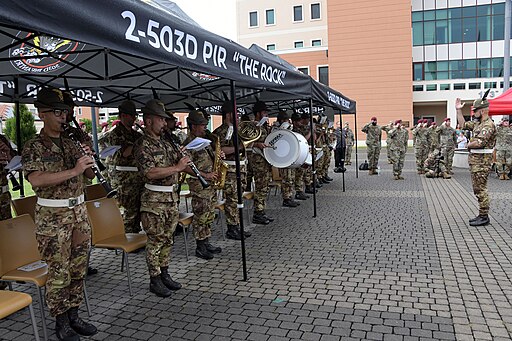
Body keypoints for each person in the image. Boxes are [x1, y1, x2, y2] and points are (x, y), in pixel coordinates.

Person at [22, 87, 97, 340]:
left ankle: (74, 314)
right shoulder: (34, 145)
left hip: (78, 213)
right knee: (59, 271)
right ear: (42, 114)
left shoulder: (71, 141)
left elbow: (89, 175)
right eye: (57, 112)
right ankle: (61, 321)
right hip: (53, 217)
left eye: (66, 111)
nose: (63, 117)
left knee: (78, 267)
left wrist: (88, 159)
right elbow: (37, 180)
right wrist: (74, 170)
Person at [134, 99, 188, 297]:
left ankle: (165, 272)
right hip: (153, 201)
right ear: (148, 121)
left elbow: (181, 164)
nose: (165, 124)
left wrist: (184, 159)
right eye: (161, 120)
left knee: (168, 239)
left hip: (170, 199)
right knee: (155, 241)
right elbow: (149, 172)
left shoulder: (167, 142)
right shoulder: (142, 144)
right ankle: (154, 279)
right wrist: (177, 167)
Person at [183, 110, 221, 259]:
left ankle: (206, 241)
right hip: (199, 184)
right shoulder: (189, 144)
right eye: (202, 125)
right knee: (201, 215)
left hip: (209, 184)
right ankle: (200, 246)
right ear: (193, 126)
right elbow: (186, 165)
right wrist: (205, 175)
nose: (205, 127)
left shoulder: (204, 140)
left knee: (209, 213)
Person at [212, 101, 251, 239]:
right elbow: (219, 150)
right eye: (236, 113)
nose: (238, 116)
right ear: (228, 115)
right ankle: (232, 228)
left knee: (238, 199)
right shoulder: (220, 131)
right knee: (232, 200)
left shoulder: (238, 129)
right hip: (230, 171)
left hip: (241, 168)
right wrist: (239, 147)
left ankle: (237, 226)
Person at [456, 96, 497, 226]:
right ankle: (481, 214)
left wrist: (468, 144)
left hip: (482, 163)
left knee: (481, 189)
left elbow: (480, 142)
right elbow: (462, 125)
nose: (473, 113)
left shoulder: (488, 125)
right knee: (477, 189)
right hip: (476, 162)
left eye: (476, 111)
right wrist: (458, 111)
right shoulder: (478, 124)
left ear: (483, 111)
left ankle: (484, 216)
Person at [247, 101, 274, 225]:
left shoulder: (263, 126)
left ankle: (261, 211)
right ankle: (258, 213)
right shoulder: (251, 126)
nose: (266, 114)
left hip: (265, 159)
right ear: (257, 113)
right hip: (257, 160)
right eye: (264, 112)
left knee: (264, 187)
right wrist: (258, 144)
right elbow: (246, 143)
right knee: (260, 187)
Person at [273, 111, 300, 207]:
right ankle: (286, 198)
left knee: (291, 178)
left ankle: (290, 196)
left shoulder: (288, 128)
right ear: (281, 120)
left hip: (289, 156)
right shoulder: (276, 129)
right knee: (286, 179)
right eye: (285, 120)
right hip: (282, 158)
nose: (288, 122)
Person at [291, 113, 310, 200]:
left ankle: (299, 191)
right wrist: (310, 132)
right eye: (298, 121)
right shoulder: (292, 130)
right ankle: (297, 192)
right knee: (296, 175)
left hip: (300, 155)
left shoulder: (300, 129)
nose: (300, 123)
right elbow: (303, 140)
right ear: (294, 122)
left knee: (300, 173)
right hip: (294, 156)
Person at [0, 133, 16, 221]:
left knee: (7, 229)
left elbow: (20, 165)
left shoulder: (2, 139)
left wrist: (8, 154)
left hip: (3, 197)